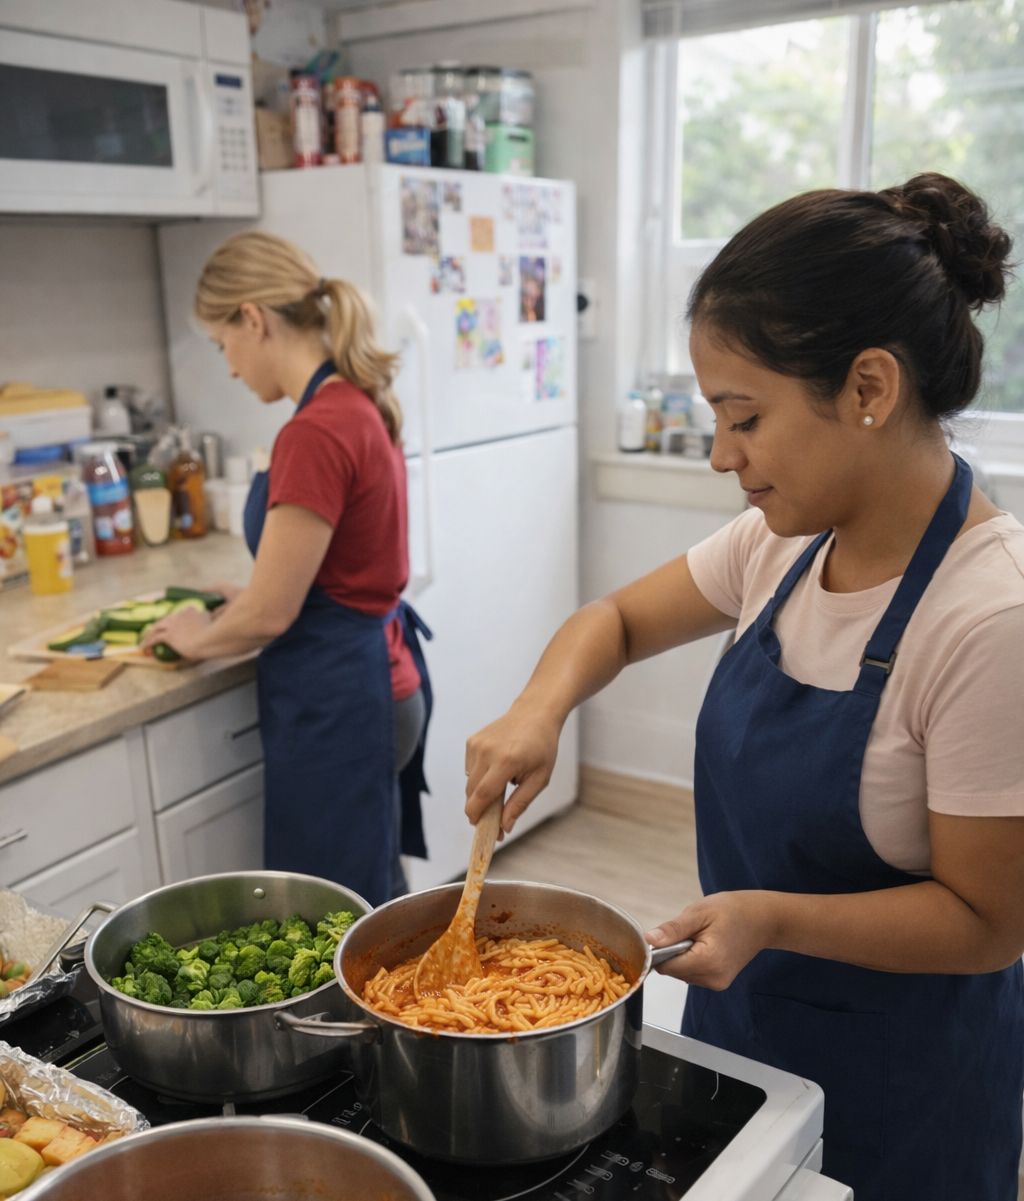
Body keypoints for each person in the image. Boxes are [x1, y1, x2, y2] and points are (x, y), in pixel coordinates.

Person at [464, 174, 1024, 1200]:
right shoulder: (784, 544)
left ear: (868, 387)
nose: (723, 455)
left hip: (903, 1086)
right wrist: (537, 710)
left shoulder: (989, 618)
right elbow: (614, 619)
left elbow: (990, 920)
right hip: (743, 1027)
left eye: (745, 416)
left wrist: (772, 918)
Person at [144, 232, 432, 908]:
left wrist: (195, 637)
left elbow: (271, 613)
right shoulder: (355, 400)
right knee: (374, 907)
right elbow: (339, 569)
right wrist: (251, 593)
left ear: (253, 318)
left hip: (341, 701)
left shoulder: (314, 430)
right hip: (374, 679)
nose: (230, 367)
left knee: (328, 920)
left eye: (222, 343)